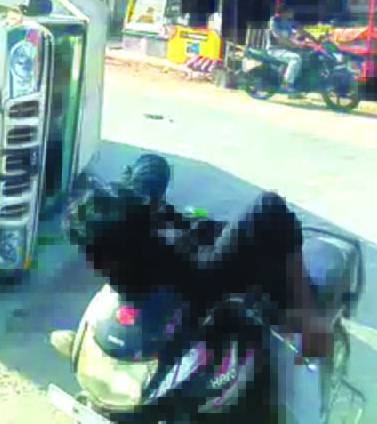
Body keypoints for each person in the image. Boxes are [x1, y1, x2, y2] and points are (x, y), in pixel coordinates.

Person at [72, 154, 333, 360]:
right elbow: (153, 166)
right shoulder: (130, 242)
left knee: (293, 374)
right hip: (200, 239)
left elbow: (271, 206)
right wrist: (135, 195)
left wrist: (307, 312)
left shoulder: (202, 270)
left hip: (266, 272)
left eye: (103, 254)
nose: (95, 263)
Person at [267, 6, 310, 92]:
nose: (292, 14)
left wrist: (315, 40)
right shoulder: (274, 21)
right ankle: (286, 84)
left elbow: (302, 31)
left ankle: (295, 88)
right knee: (295, 58)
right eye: (290, 12)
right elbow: (278, 37)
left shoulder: (290, 21)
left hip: (287, 49)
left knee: (307, 56)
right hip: (275, 50)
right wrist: (295, 45)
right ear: (283, 13)